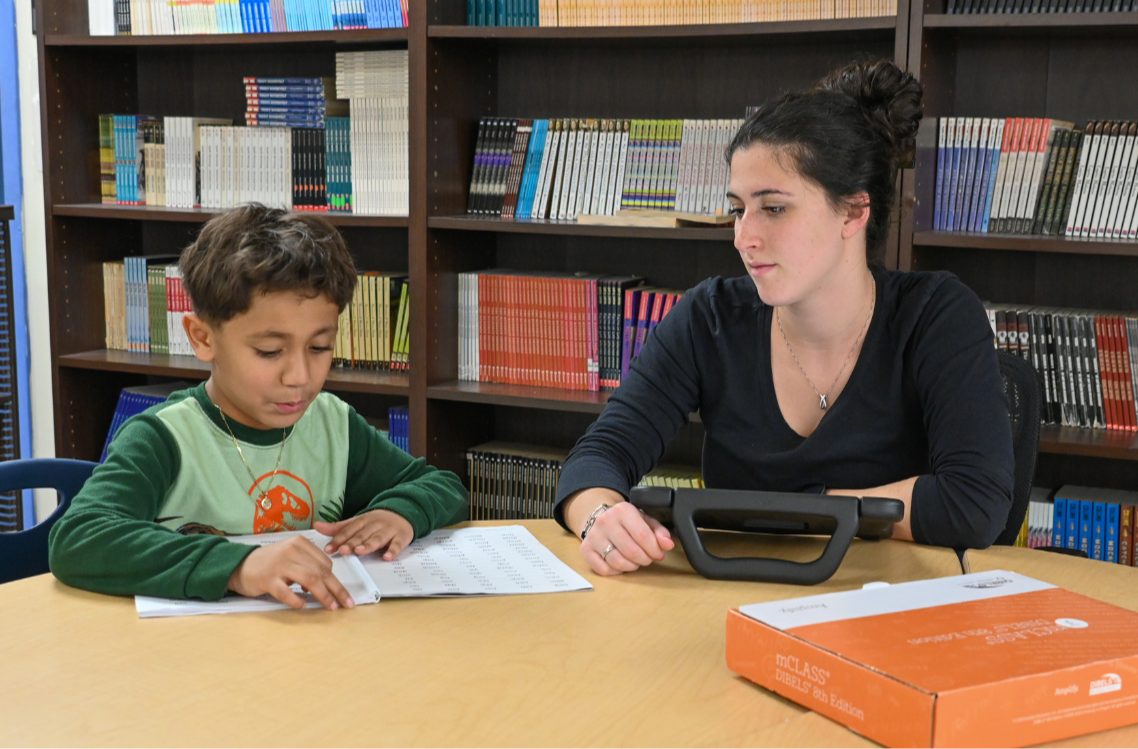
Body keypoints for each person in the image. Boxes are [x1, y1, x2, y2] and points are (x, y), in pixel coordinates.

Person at [555, 59, 1015, 576]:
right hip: (731, 597)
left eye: (773, 208)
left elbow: (975, 503)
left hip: (891, 607)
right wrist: (599, 517)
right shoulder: (708, 317)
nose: (743, 237)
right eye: (738, 209)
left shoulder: (936, 314)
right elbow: (599, 456)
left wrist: (805, 508)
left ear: (854, 212)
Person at [49, 204, 467, 609]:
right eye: (269, 351)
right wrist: (237, 566)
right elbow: (79, 538)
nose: (299, 376)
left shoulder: (332, 425)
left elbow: (441, 486)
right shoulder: (163, 438)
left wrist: (401, 513)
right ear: (202, 338)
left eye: (320, 347)